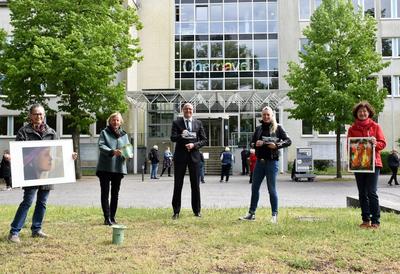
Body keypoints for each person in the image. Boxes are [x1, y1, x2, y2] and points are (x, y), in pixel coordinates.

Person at [8, 104, 77, 243]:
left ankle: (37, 229)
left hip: (47, 175)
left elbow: (58, 151)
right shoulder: (24, 132)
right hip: (30, 175)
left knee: (42, 202)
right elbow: (20, 152)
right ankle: (14, 232)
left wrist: (70, 156)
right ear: (30, 116)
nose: (38, 116)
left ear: (44, 115)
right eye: (36, 114)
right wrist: (11, 157)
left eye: (41, 114)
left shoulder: (51, 132)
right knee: (27, 201)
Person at [239, 106, 291, 224]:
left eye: (268, 115)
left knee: (271, 189)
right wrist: (255, 144)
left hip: (272, 162)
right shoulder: (258, 129)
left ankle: (274, 215)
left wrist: (277, 145)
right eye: (264, 115)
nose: (266, 117)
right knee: (254, 188)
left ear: (272, 115)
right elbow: (252, 143)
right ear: (261, 116)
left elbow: (288, 141)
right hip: (259, 162)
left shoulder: (278, 128)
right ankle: (251, 213)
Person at [347, 101, 386, 229]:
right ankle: (365, 220)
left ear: (369, 112)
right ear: (356, 114)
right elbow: (349, 147)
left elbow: (382, 144)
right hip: (358, 164)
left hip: (374, 164)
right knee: (362, 193)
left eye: (364, 111)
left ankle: (376, 221)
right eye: (360, 112)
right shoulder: (352, 129)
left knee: (371, 192)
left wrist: (375, 143)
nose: (362, 113)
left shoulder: (375, 127)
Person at [170, 103, 207, 219]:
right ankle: (176, 211)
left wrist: (194, 145)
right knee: (178, 184)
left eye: (190, 109)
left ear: (193, 110)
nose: (188, 110)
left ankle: (197, 211)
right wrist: (183, 135)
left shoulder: (198, 123)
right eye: (186, 109)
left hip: (194, 157)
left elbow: (204, 140)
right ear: (182, 110)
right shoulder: (177, 122)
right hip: (180, 157)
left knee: (195, 184)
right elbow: (173, 137)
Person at [96, 112, 131, 226]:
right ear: (109, 121)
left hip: (118, 168)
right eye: (113, 120)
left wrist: (129, 154)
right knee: (105, 193)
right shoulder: (104, 132)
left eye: (117, 120)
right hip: (105, 167)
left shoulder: (124, 135)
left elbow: (128, 149)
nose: (115, 122)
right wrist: (112, 151)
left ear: (120, 122)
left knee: (115, 193)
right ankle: (107, 218)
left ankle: (112, 217)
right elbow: (101, 146)